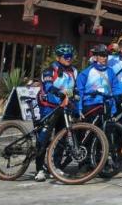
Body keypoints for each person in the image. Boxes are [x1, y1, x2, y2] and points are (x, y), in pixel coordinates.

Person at [33, 44, 78, 181]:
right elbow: (47, 86)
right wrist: (58, 92)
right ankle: (39, 169)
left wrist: (75, 98)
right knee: (43, 138)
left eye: (71, 56)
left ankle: (56, 166)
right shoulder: (49, 70)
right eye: (66, 56)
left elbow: (75, 89)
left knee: (62, 138)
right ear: (58, 57)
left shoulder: (74, 71)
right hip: (48, 107)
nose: (69, 59)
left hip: (64, 108)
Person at [76, 44, 117, 117]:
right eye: (101, 55)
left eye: (106, 55)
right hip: (90, 105)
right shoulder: (85, 73)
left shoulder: (111, 72)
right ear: (95, 57)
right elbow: (79, 92)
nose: (104, 58)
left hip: (106, 105)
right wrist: (79, 108)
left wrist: (113, 108)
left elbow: (114, 91)